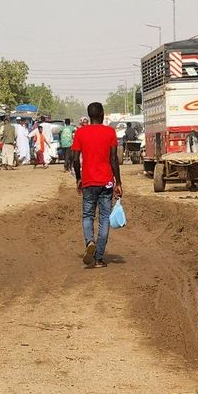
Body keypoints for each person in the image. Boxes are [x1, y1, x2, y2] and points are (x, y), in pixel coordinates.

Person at [71, 102, 122, 269]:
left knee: (87, 216)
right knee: (104, 218)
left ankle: (89, 242)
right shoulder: (110, 132)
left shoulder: (80, 132)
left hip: (88, 181)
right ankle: (99, 258)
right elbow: (114, 159)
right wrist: (118, 182)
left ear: (89, 115)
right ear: (101, 114)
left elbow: (74, 159)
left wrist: (78, 178)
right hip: (106, 181)